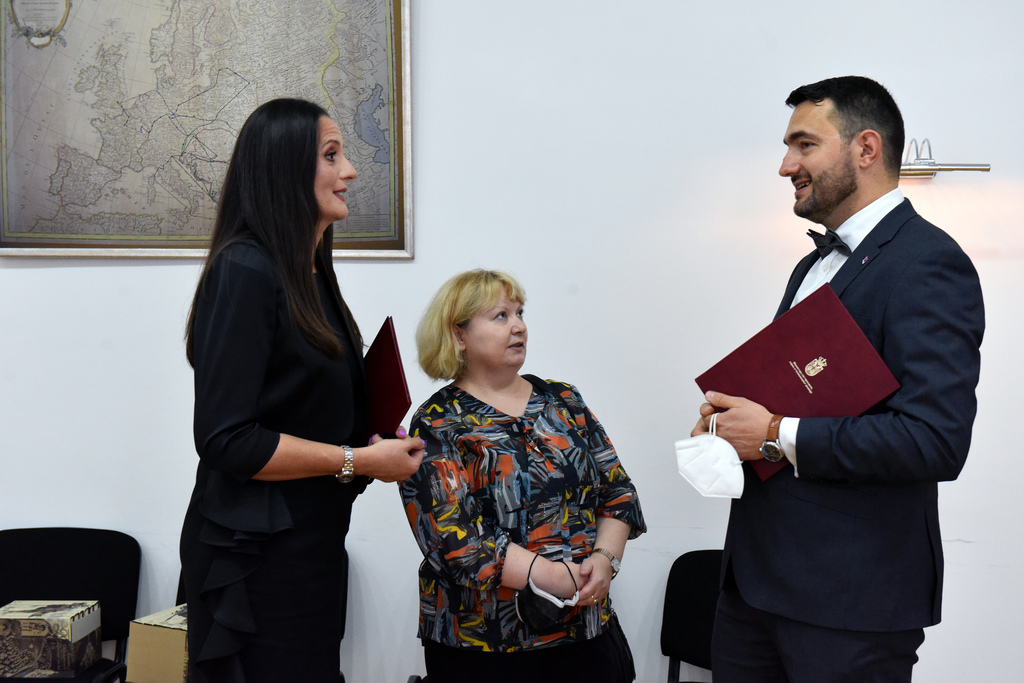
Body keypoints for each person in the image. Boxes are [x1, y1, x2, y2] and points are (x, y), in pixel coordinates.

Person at [691, 76, 985, 682]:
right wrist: (732, 428)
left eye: (804, 145)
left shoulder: (929, 263)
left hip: (850, 602)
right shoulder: (811, 264)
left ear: (866, 149)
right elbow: (804, 398)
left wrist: (772, 433)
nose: (785, 166)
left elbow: (935, 439)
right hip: (753, 587)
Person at [179, 98, 424, 683]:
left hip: (310, 545)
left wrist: (371, 441)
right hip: (254, 560)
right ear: (284, 169)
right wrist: (356, 459)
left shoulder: (310, 273)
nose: (350, 171)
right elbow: (227, 439)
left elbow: (307, 411)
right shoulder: (245, 269)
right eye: (331, 155)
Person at [400, 270, 646, 683]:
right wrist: (554, 576)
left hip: (584, 633)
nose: (518, 326)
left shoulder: (563, 400)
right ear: (459, 335)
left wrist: (605, 560)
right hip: (482, 647)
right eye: (500, 316)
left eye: (520, 313)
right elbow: (455, 542)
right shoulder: (437, 421)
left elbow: (618, 493)